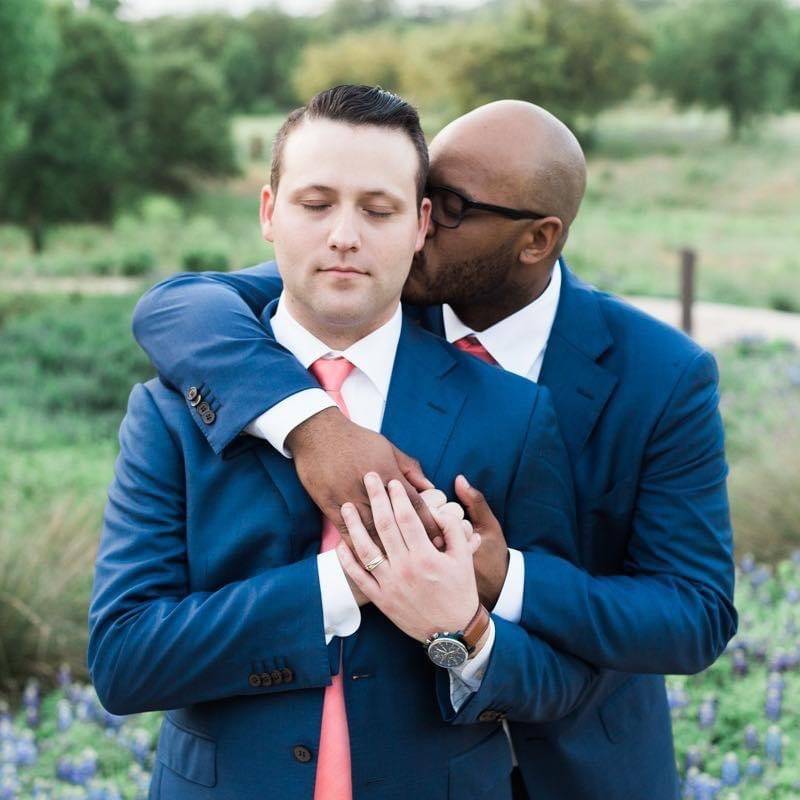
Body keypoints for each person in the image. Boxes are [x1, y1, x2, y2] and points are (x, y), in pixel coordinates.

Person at [131, 94, 738, 799]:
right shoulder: (378, 284)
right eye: (417, 197)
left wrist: (501, 577)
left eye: (446, 206)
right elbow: (175, 306)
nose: (416, 222)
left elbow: (694, 614)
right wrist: (312, 426)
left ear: (537, 239)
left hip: (581, 766)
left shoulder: (661, 374)